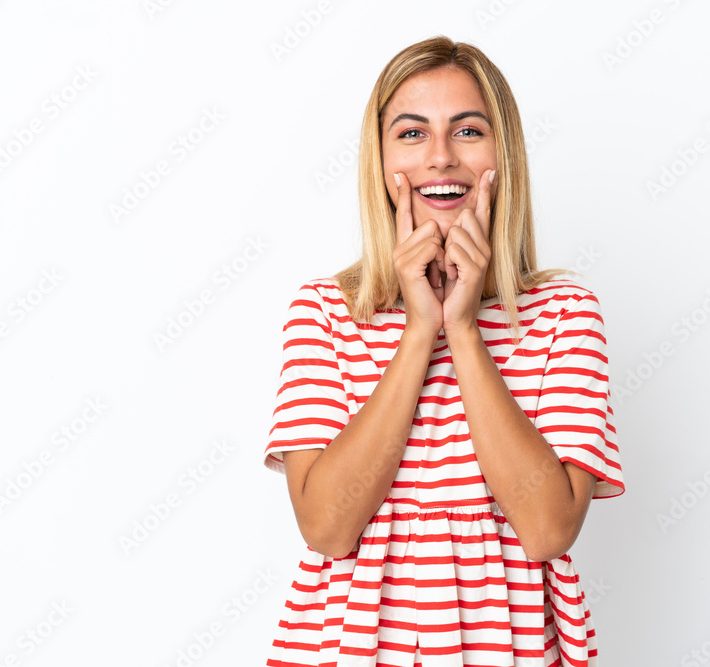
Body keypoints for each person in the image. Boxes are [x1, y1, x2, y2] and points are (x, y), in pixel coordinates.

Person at [263, 35, 625, 667]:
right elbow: (327, 527)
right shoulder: (324, 310)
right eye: (411, 133)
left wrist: (462, 329)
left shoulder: (564, 313)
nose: (440, 157)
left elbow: (547, 531)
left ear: (502, 154)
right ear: (379, 160)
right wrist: (418, 332)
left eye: (468, 131)